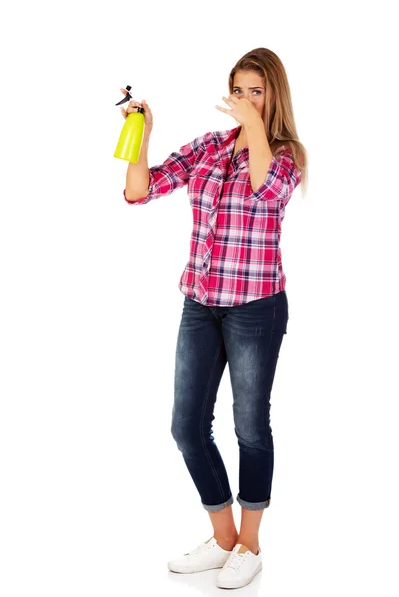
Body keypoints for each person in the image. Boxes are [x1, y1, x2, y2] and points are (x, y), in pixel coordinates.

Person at [121, 47, 308, 590]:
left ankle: (251, 545)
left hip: (256, 308)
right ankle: (224, 539)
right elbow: (139, 190)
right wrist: (143, 133)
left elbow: (262, 190)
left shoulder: (284, 155)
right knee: (186, 427)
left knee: (249, 424)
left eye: (258, 91)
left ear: (274, 95)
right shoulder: (208, 148)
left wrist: (253, 127)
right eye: (240, 90)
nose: (247, 101)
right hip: (200, 304)